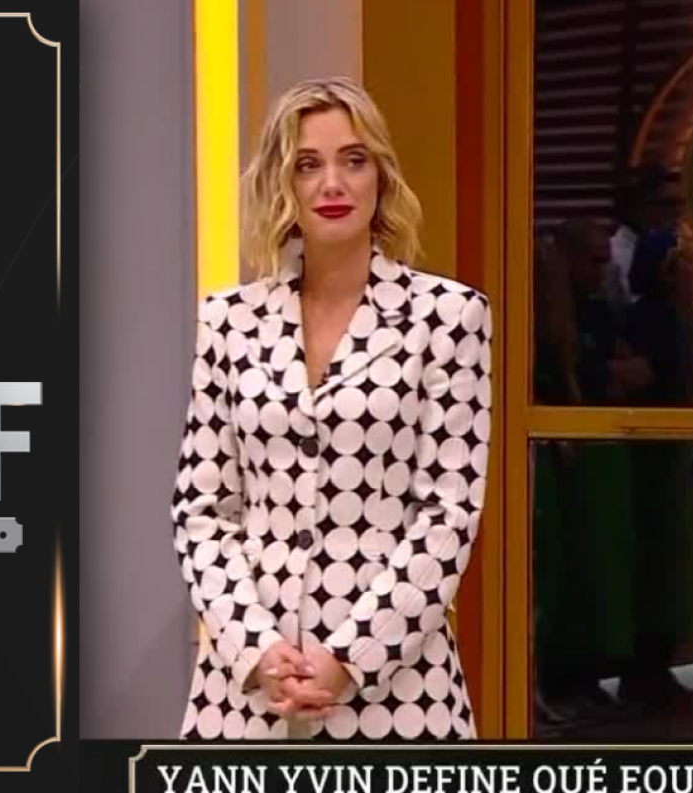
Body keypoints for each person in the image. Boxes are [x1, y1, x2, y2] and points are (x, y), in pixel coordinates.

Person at [170, 76, 493, 741]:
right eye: (307, 165)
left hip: (399, 689)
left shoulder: (448, 316)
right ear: (282, 183)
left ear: (381, 175)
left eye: (354, 159)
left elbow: (449, 513)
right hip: (246, 694)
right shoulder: (228, 321)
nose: (333, 183)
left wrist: (350, 657)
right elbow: (201, 511)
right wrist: (257, 649)